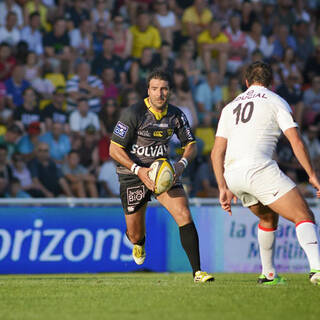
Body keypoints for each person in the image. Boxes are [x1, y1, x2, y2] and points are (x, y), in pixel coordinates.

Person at [211, 61, 320, 285]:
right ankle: (317, 270)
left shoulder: (229, 107)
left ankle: (268, 274)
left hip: (233, 175)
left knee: (268, 216)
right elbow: (296, 141)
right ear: (271, 83)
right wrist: (311, 174)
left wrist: (223, 187)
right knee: (304, 215)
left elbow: (216, 153)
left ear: (246, 82)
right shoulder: (275, 100)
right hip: (258, 168)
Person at [109, 69, 213, 283]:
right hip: (133, 175)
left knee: (184, 213)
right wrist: (139, 170)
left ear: (170, 91)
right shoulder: (133, 113)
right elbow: (114, 149)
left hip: (162, 174)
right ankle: (139, 243)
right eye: (155, 89)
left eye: (164, 89)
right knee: (135, 234)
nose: (160, 93)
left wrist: (181, 164)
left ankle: (197, 272)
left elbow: (190, 144)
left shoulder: (176, 114)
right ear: (148, 91)